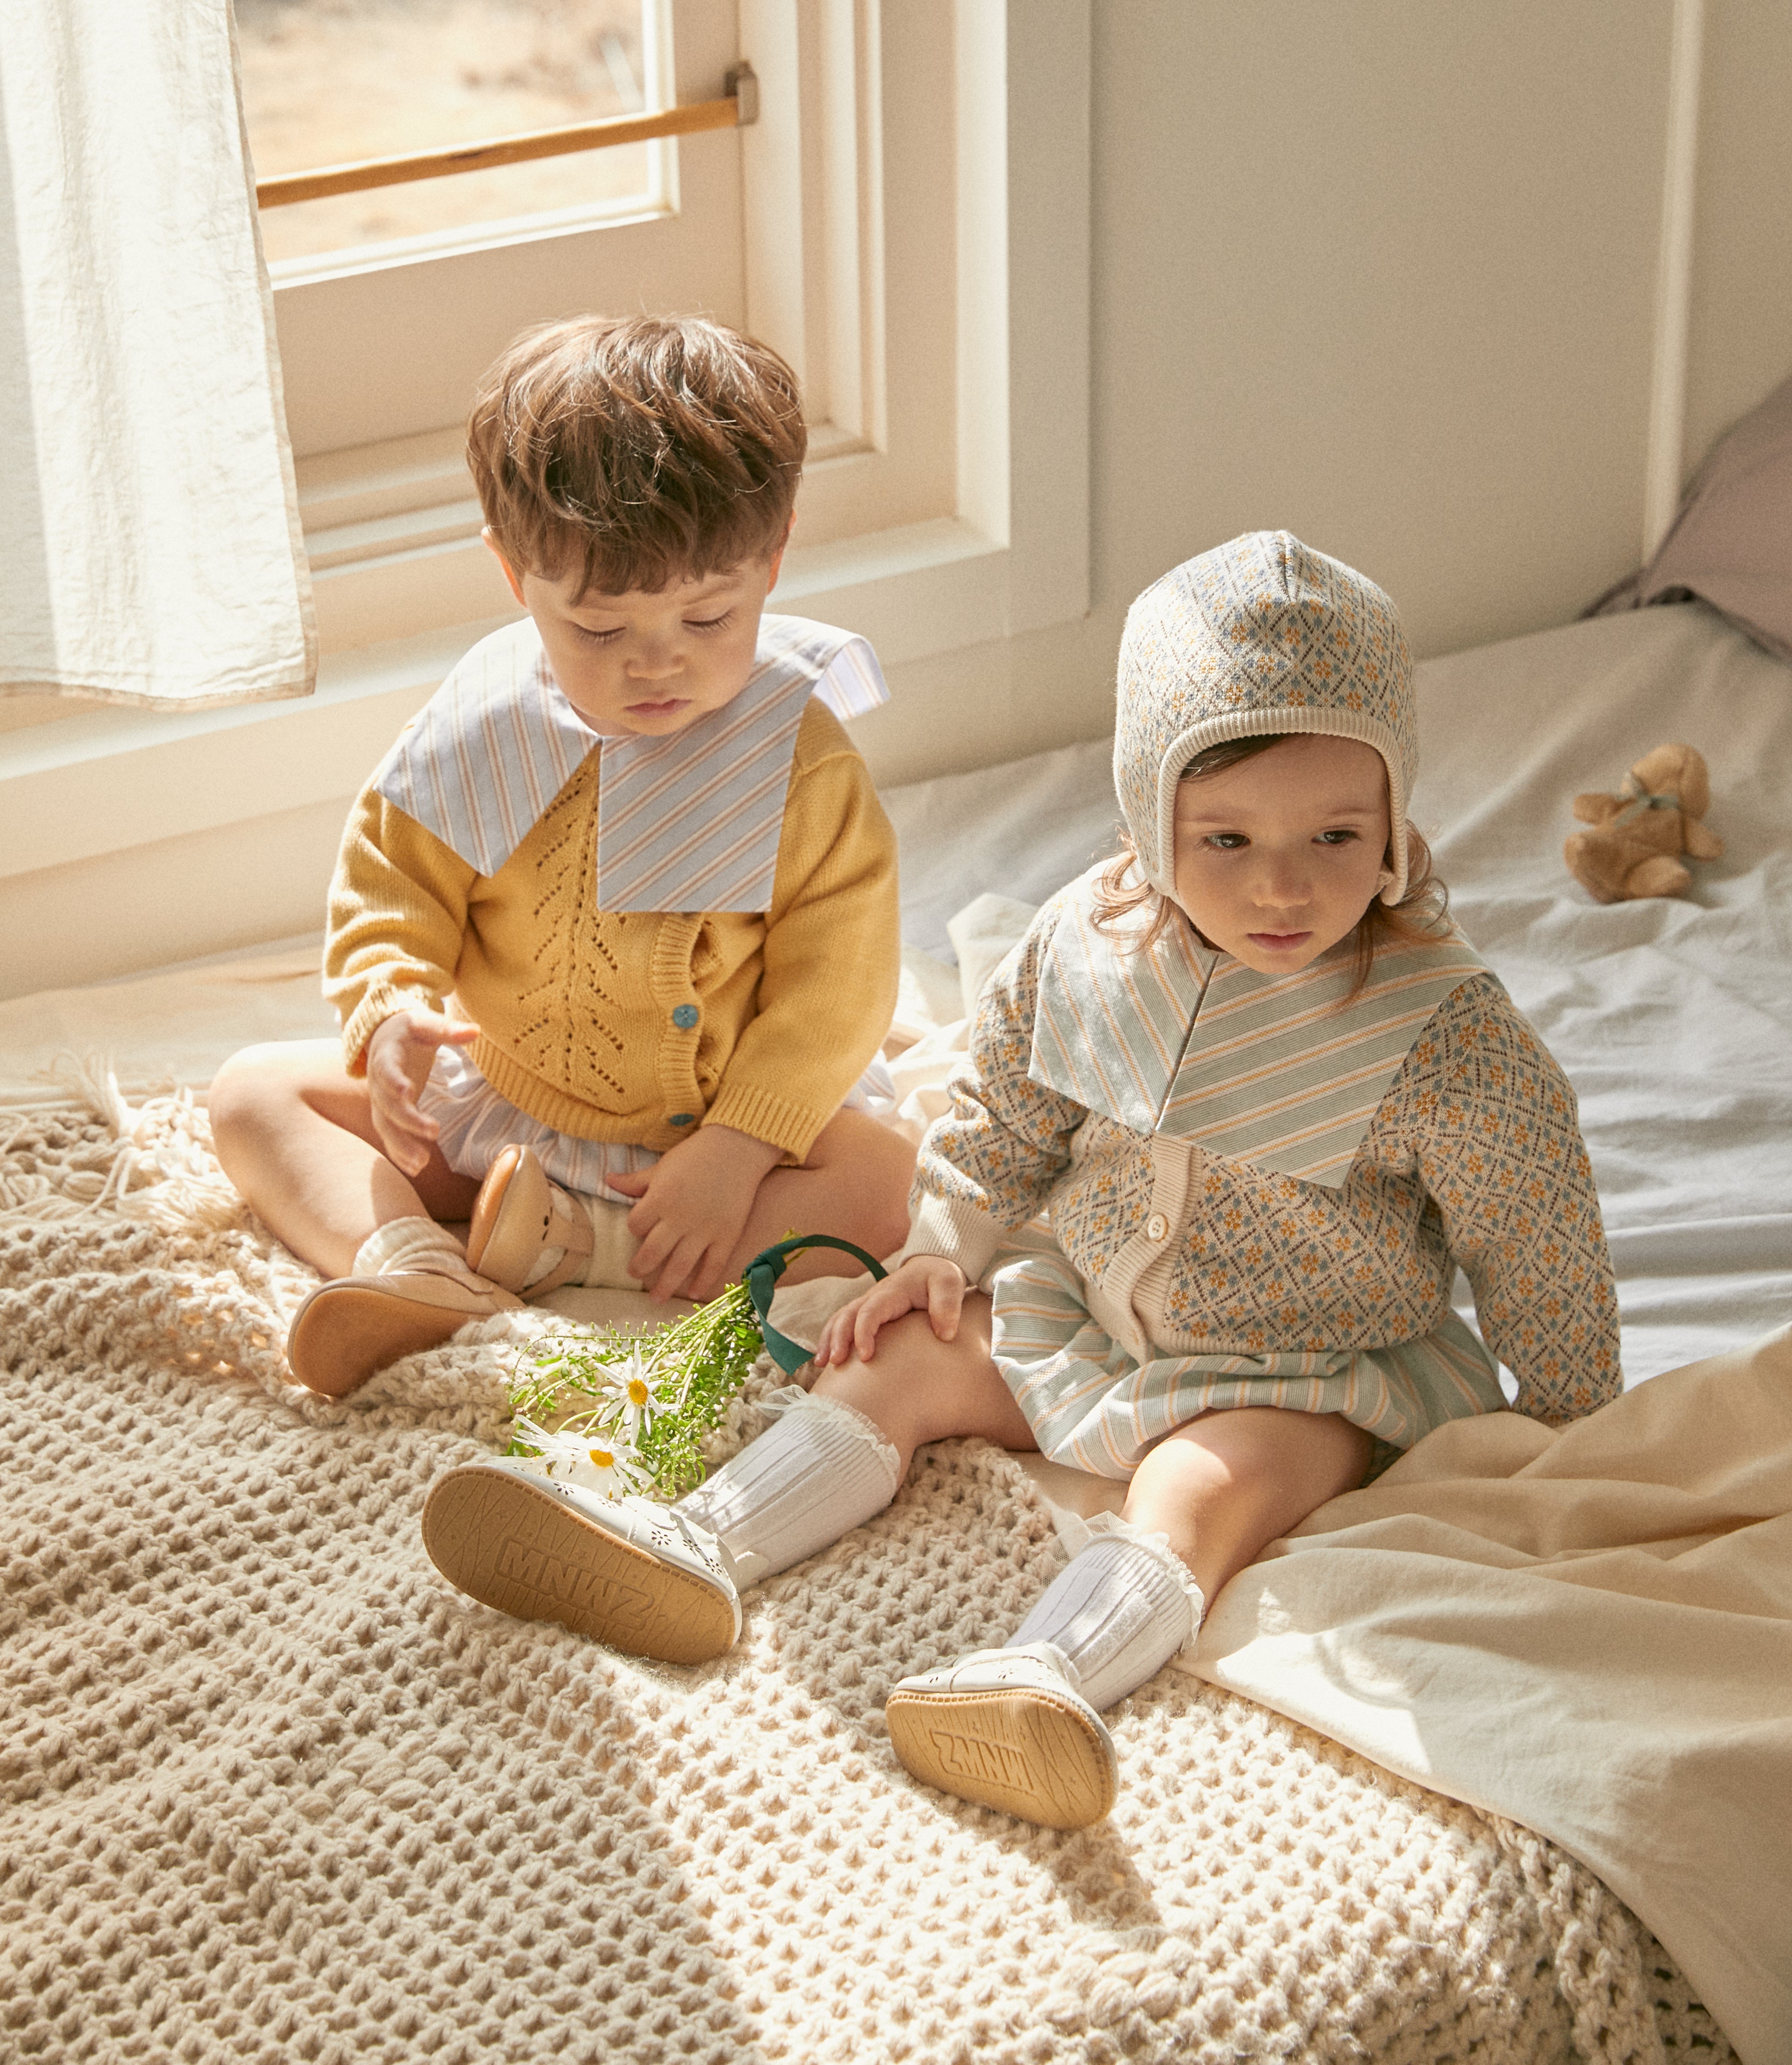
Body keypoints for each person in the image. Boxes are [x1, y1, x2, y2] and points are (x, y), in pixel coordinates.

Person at [419, 533, 1623, 1830]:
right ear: (1146, 819)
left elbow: (1534, 1228)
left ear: (1394, 819)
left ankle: (1042, 1677)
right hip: (1089, 1306)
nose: (1282, 883)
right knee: (892, 1357)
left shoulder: (1437, 1033)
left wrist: (1566, 1427)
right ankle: (700, 1545)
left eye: (1336, 833)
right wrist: (943, 1245)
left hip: (1303, 1361)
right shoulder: (1089, 946)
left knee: (1201, 1485)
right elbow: (1001, 1110)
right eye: (1222, 838)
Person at [210, 313, 913, 1398]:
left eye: (711, 615)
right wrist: (389, 1010)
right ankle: (410, 1266)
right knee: (253, 1096)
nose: (657, 664)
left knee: (881, 1181)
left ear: (772, 562)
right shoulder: (485, 723)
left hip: (731, 1123)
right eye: (597, 630)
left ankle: (587, 1250)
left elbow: (842, 980)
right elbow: (391, 886)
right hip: (514, 1102)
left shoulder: (798, 761)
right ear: (512, 574)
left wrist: (739, 1148)